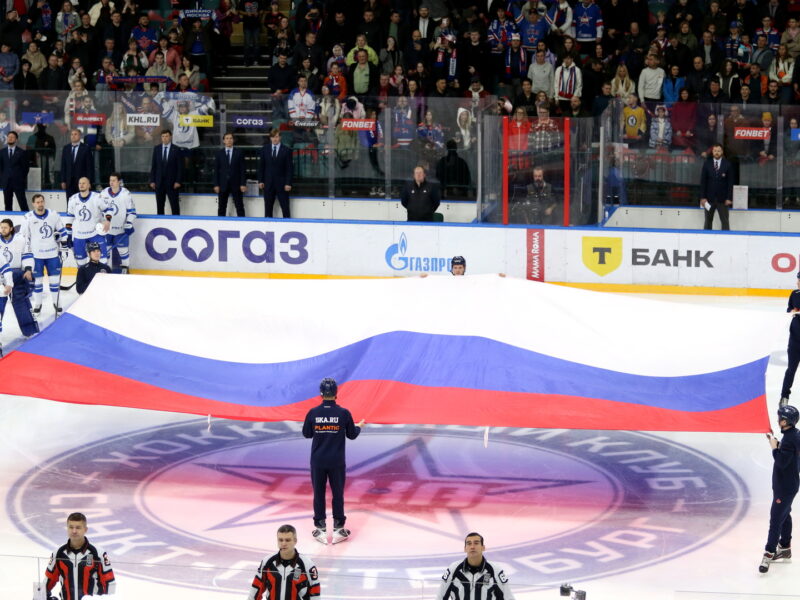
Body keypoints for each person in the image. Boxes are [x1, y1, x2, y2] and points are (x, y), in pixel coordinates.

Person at [301, 377, 364, 545]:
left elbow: (306, 434)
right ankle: (338, 528)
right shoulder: (343, 413)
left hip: (318, 461)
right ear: (336, 393)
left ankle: (320, 528)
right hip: (336, 461)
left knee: (318, 494)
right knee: (338, 494)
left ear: (321, 393)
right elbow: (352, 435)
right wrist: (359, 426)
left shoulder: (313, 413)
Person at [760, 405, 800, 573]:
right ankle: (784, 547)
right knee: (785, 514)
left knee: (775, 519)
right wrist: (777, 443)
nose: (777, 420)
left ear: (785, 421)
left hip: (784, 488)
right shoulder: (794, 435)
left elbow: (782, 462)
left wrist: (774, 447)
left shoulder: (790, 439)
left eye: (779, 418)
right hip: (788, 485)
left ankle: (768, 554)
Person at [43, 512, 116, 598]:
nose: (74, 531)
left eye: (78, 528)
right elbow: (48, 580)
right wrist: (40, 595)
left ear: (85, 529)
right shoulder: (58, 553)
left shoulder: (98, 553)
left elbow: (109, 582)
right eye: (71, 527)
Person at [247, 524, 321, 600]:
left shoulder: (307, 564)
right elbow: (256, 588)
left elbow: (315, 593)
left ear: (295, 541)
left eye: (287, 540)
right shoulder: (267, 562)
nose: (283, 543)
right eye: (280, 540)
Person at [22, 193, 67, 315]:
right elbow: (24, 237)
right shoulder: (28, 217)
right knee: (37, 282)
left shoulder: (53, 214)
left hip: (52, 254)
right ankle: (38, 304)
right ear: (33, 204)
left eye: (41, 201)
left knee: (54, 281)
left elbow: (62, 231)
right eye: (37, 202)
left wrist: (64, 248)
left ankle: (57, 303)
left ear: (44, 202)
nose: (40, 204)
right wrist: (26, 254)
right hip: (36, 256)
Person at [436, 532, 515, 600]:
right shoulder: (453, 569)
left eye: (476, 543)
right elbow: (440, 597)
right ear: (465, 548)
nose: (472, 547)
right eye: (469, 543)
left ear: (483, 547)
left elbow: (508, 597)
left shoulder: (495, 570)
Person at [0, 218, 38, 341]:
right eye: (1, 227)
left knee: (21, 303)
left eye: (5, 227)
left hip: (16, 274)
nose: (2, 230)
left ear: (11, 228)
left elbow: (27, 255)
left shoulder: (20, 239)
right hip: (1, 277)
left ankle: (30, 331)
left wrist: (28, 269)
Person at [66, 176, 110, 266]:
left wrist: (107, 220)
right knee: (80, 263)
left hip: (95, 234)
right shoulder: (72, 199)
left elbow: (109, 209)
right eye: (80, 183)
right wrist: (69, 234)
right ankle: (84, 279)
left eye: (84, 183)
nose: (81, 185)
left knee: (102, 260)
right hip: (79, 235)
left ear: (89, 185)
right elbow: (70, 218)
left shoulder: (97, 197)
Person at [100, 172, 135, 273]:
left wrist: (129, 223)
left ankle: (125, 270)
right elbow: (98, 209)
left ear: (119, 182)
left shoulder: (125, 194)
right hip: (106, 230)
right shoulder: (103, 193)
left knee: (123, 251)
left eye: (114, 180)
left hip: (121, 230)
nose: (111, 183)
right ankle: (106, 271)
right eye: (110, 180)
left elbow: (132, 212)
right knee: (105, 252)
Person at [258, 128, 293, 218]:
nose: (275, 139)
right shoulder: (264, 150)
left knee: (285, 209)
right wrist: (261, 181)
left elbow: (289, 168)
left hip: (282, 184)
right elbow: (261, 167)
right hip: (268, 184)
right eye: (273, 137)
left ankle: (287, 227)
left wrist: (288, 183)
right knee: (268, 209)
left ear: (280, 137)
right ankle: (268, 228)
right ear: (270, 138)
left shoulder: (286, 150)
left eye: (277, 137)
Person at [699, 144, 733, 231]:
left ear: (722, 152)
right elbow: (703, 182)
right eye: (715, 151)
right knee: (708, 221)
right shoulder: (707, 164)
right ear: (712, 152)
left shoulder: (727, 164)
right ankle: (706, 239)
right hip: (709, 199)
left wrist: (729, 198)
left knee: (725, 221)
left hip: (723, 200)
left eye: (718, 151)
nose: (717, 153)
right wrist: (703, 197)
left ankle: (726, 240)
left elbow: (730, 183)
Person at [149, 129, 183, 215]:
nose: (165, 138)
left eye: (167, 136)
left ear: (170, 137)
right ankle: (160, 225)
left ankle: (176, 224)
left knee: (175, 206)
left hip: (172, 183)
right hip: (159, 183)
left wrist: (178, 181)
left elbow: (180, 167)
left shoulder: (176, 149)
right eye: (163, 136)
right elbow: (154, 166)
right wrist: (152, 180)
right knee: (160, 206)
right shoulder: (157, 149)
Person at [214, 133, 247, 217]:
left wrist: (243, 184)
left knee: (239, 207)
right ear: (223, 141)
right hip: (223, 184)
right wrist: (216, 185)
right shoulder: (219, 153)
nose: (229, 140)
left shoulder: (239, 153)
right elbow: (216, 170)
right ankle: (220, 225)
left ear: (233, 140)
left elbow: (243, 169)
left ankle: (243, 225)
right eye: (227, 138)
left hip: (236, 184)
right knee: (221, 207)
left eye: (231, 138)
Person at [60, 128, 94, 205]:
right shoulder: (66, 148)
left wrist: (89, 181)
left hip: (82, 182)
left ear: (80, 136)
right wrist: (63, 180)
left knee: (82, 203)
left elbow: (89, 166)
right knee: (70, 202)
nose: (73, 136)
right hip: (69, 181)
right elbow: (63, 165)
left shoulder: (86, 148)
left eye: (75, 134)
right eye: (72, 134)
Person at [782, 275, 800, 406]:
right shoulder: (794, 293)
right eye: (798, 280)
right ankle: (784, 397)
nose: (797, 282)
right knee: (791, 369)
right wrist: (793, 310)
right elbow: (790, 308)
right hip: (794, 341)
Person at [0, 131, 29, 211]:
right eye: (9, 137)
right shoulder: (2, 152)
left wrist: (20, 178)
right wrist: (3, 178)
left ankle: (28, 220)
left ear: (16, 139)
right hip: (6, 182)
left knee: (23, 203)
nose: (10, 138)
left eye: (12, 137)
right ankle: (8, 222)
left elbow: (25, 168)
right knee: (7, 204)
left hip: (18, 182)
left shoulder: (22, 152)